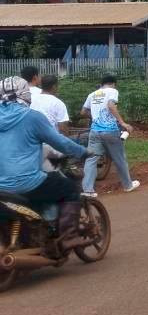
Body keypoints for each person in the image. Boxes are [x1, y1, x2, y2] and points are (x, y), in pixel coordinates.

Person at [0, 76, 89, 235]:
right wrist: (82, 151)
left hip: (2, 187)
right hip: (28, 182)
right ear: (25, 94)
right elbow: (60, 142)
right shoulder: (32, 117)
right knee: (70, 188)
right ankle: (68, 236)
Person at [82, 73, 141, 196]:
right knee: (120, 158)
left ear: (101, 84)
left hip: (94, 131)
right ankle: (127, 185)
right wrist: (123, 123)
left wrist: (95, 117)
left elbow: (83, 112)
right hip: (110, 131)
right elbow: (110, 105)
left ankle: (88, 190)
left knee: (91, 159)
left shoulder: (92, 94)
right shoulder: (112, 91)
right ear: (113, 84)